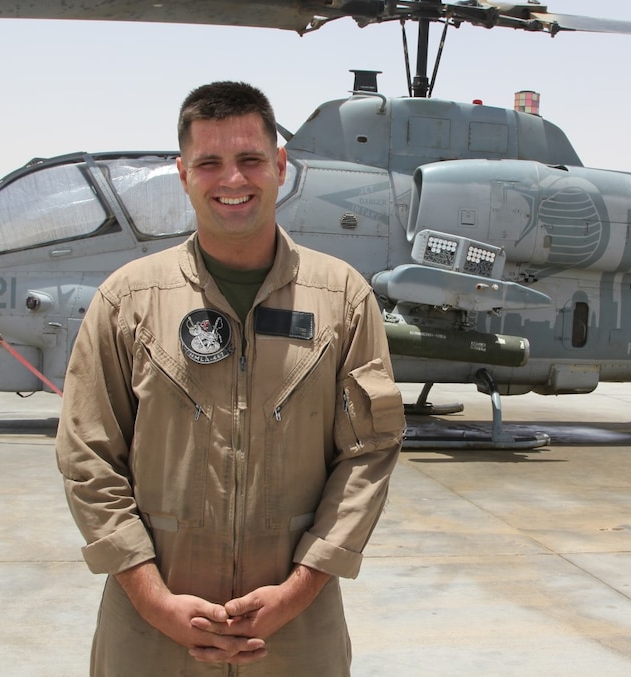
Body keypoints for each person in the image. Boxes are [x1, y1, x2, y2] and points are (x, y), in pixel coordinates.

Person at [55, 80, 405, 675]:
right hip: (152, 630)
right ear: (183, 173)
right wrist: (153, 598)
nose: (233, 180)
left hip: (294, 632)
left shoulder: (342, 298)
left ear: (280, 165)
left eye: (249, 160)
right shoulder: (129, 299)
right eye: (209, 162)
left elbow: (368, 454)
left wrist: (298, 590)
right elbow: (88, 457)